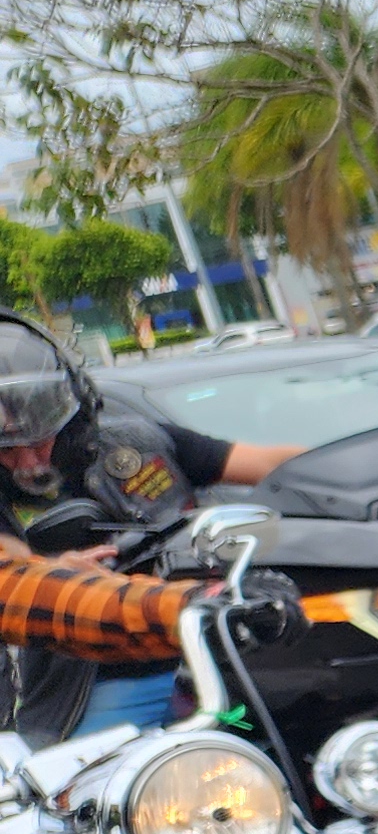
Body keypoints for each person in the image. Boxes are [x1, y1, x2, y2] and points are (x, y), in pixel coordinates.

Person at [0, 312, 304, 734]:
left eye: (39, 441)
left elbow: (271, 464)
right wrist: (58, 569)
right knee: (109, 767)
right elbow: (18, 579)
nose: (29, 461)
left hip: (222, 637)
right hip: (93, 678)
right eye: (7, 450)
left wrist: (354, 471)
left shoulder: (137, 443)